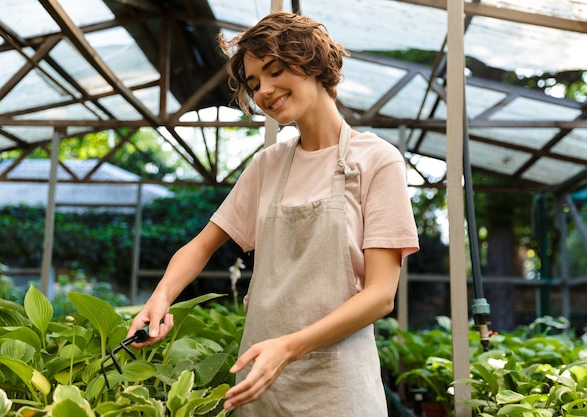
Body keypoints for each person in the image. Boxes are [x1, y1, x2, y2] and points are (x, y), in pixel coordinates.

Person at [128, 11, 419, 416]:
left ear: (313, 63)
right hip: (258, 386)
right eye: (254, 83)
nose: (264, 91)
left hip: (336, 386)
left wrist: (289, 347)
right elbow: (201, 245)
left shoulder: (376, 161)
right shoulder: (268, 165)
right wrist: (159, 299)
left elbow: (380, 296)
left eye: (275, 71)